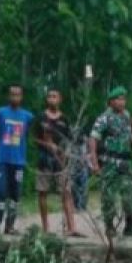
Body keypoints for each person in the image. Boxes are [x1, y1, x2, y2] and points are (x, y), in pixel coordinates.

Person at [89, 86, 132, 237]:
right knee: (109, 196)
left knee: (131, 193)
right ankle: (109, 226)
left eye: (124, 99)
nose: (122, 102)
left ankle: (130, 227)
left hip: (126, 162)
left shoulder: (126, 116)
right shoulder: (104, 117)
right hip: (110, 162)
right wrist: (95, 163)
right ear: (111, 101)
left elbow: (131, 132)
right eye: (119, 99)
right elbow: (93, 139)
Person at [36, 88, 80, 237]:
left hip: (61, 161)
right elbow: (35, 138)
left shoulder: (65, 119)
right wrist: (46, 144)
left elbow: (69, 139)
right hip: (44, 160)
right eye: (49, 96)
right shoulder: (41, 117)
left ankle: (71, 227)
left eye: (55, 96)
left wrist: (65, 152)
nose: (51, 99)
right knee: (43, 192)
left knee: (66, 192)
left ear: (60, 99)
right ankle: (45, 228)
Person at [0, 83, 33, 235]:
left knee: (15, 194)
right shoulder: (0, 113)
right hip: (2, 159)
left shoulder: (27, 116)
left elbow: (26, 136)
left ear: (22, 97)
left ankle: (10, 226)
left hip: (18, 161)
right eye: (12, 94)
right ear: (8, 96)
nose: (15, 97)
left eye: (18, 94)